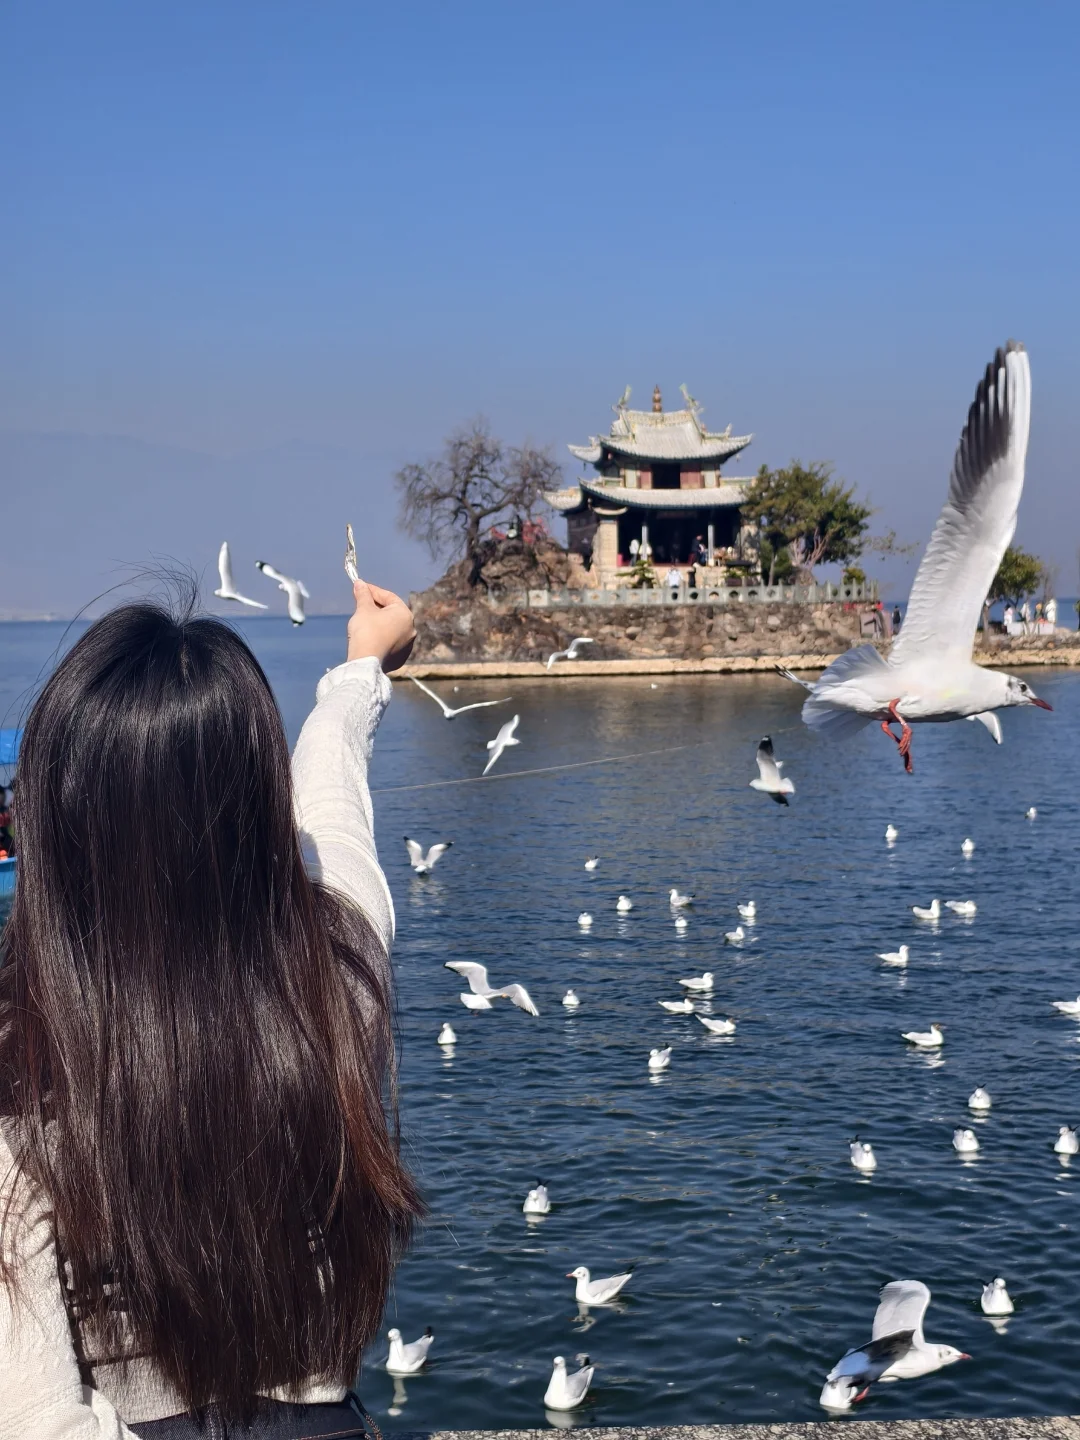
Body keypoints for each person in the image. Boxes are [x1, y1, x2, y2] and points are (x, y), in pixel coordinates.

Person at [0, 579, 422, 1437]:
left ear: (52, 821)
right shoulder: (339, 980)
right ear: (260, 813)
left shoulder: (24, 1068)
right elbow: (335, 809)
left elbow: (38, 1418)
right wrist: (360, 671)